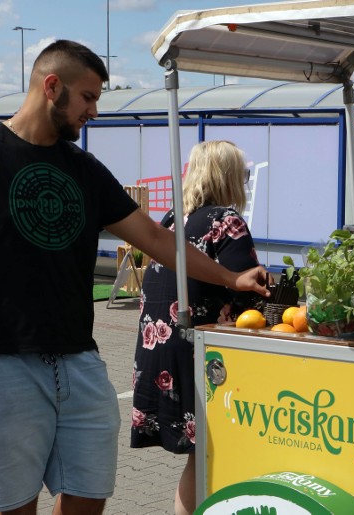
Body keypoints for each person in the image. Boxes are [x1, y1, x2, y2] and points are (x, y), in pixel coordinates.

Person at [0, 40, 269, 515]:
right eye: (88, 98)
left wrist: (232, 278)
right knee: (15, 506)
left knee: (89, 496)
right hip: (1, 363)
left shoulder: (83, 169)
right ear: (51, 87)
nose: (95, 111)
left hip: (80, 360)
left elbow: (157, 238)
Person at [131, 140, 263, 515]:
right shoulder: (226, 220)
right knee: (209, 451)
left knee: (200, 454)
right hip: (196, 351)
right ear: (229, 177)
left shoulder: (174, 218)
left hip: (156, 350)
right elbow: (247, 292)